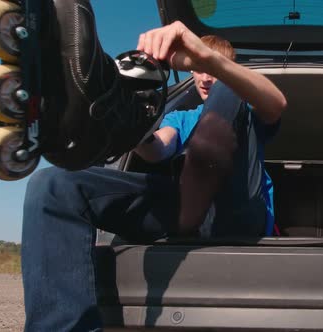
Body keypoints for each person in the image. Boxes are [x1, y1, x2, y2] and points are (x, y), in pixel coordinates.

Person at [20, 2, 287, 331]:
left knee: (228, 94)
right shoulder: (182, 117)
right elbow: (158, 150)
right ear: (189, 72)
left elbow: (276, 102)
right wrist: (132, 127)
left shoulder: (246, 110)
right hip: (186, 209)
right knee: (52, 185)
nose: (205, 77)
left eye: (210, 68)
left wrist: (215, 65)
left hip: (238, 211)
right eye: (199, 69)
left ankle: (203, 163)